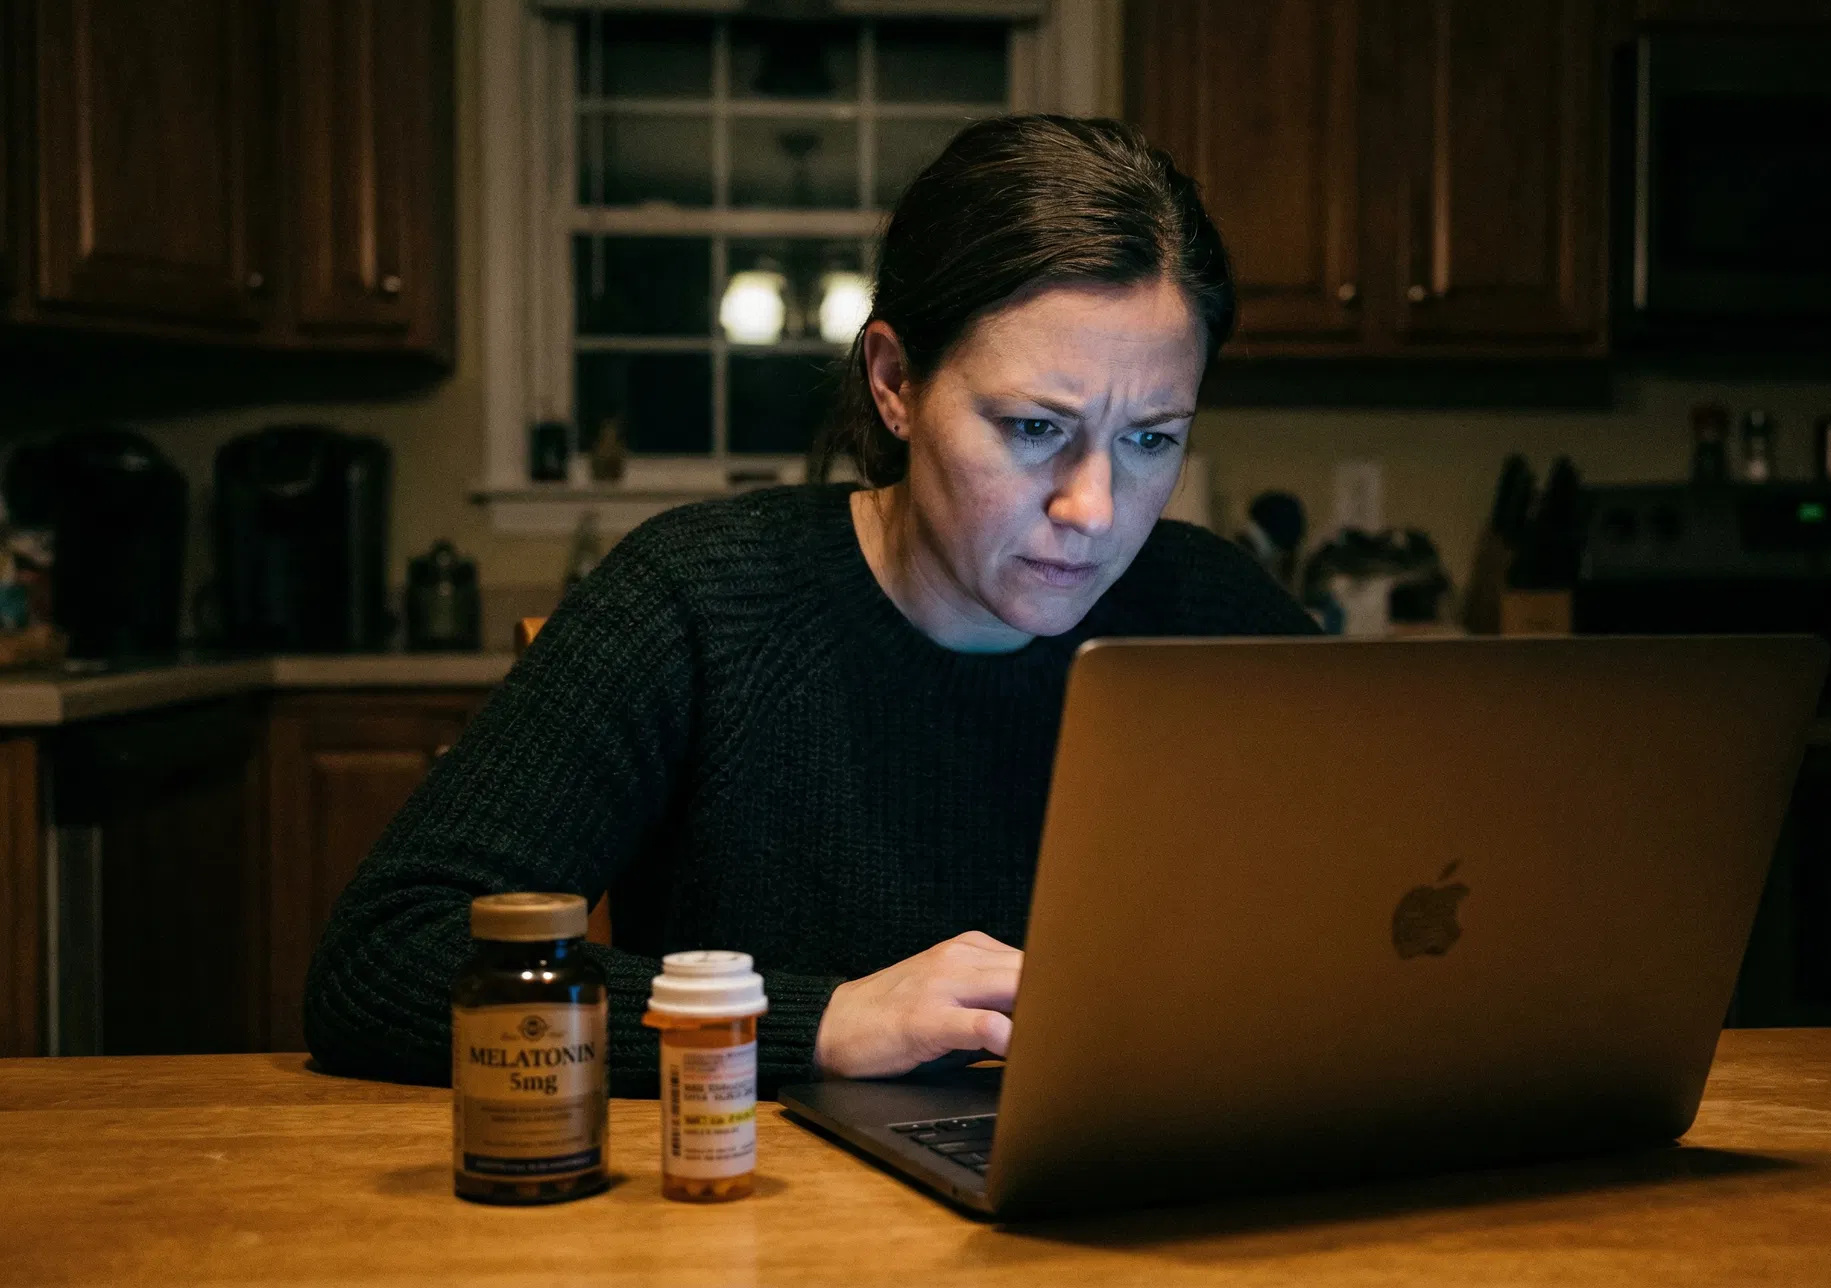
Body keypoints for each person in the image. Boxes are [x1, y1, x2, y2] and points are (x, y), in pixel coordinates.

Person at [305, 115, 1317, 1096]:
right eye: (1031, 426)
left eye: (1150, 439)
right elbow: (386, 957)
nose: (1092, 508)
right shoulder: (699, 601)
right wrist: (816, 1021)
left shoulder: (1217, 614)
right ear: (895, 382)